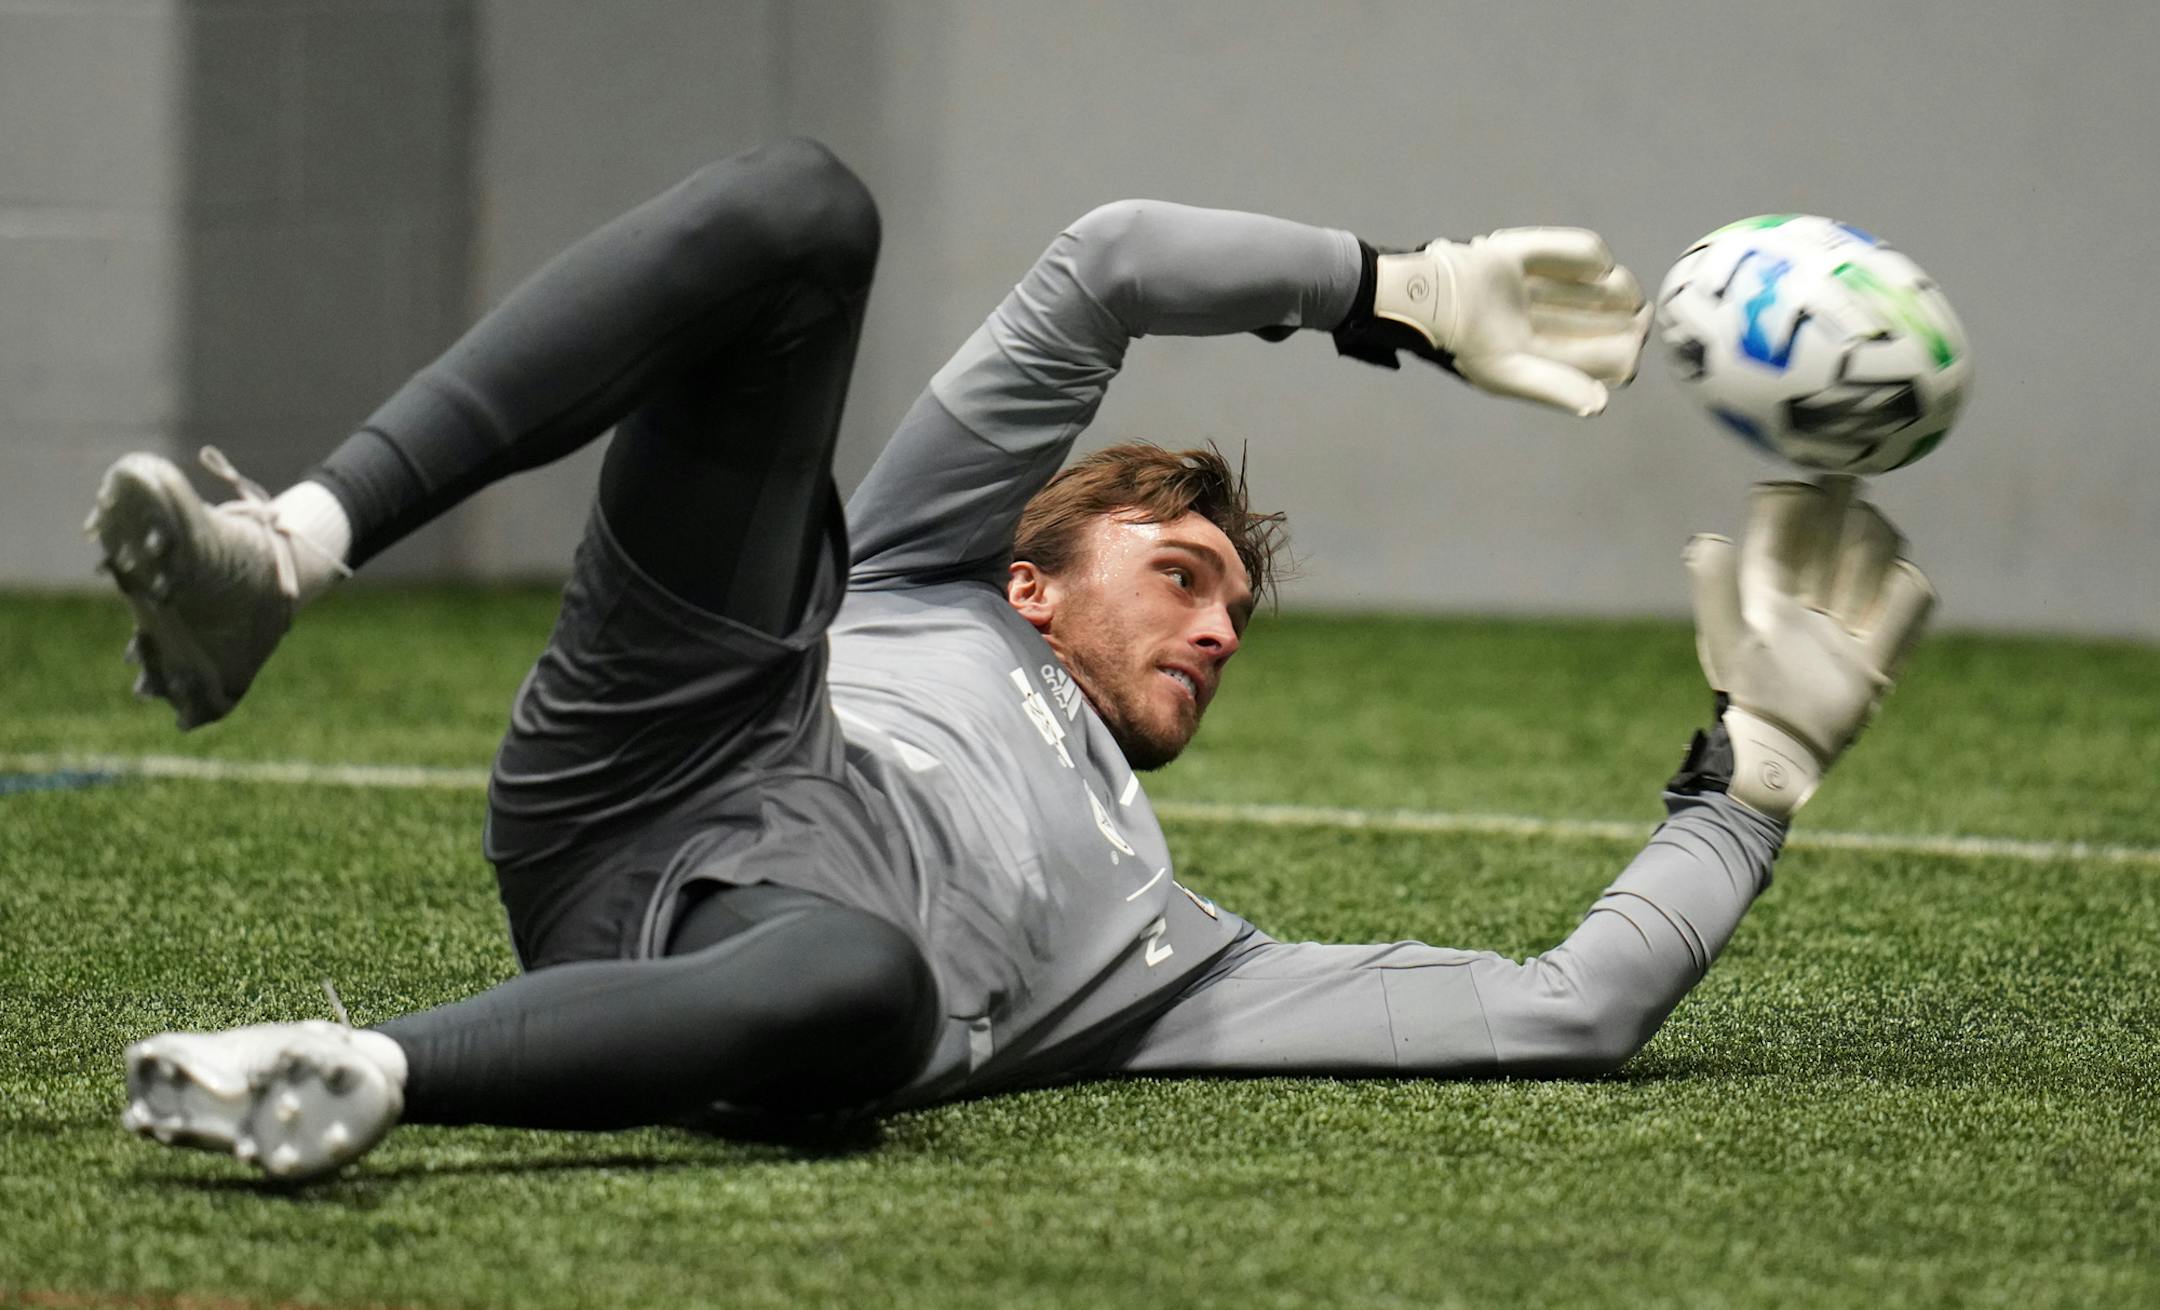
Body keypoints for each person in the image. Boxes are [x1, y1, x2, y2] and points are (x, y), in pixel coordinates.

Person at [95, 139, 1931, 1182]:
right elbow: (1112, 262)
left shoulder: (1177, 955)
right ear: (1033, 583)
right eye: (1182, 570)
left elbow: (1567, 1009)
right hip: (678, 738)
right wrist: (1400, 287)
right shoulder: (930, 571)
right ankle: (289, 551)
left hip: (775, 979)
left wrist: (1755, 771)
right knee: (804, 214)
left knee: (869, 992)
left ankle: (358, 1070)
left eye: (1237, 608)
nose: (1220, 625)